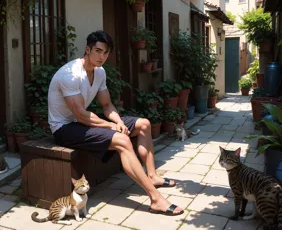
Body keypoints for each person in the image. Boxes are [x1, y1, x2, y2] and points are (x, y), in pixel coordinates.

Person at [47, 30, 184, 216]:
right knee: (123, 140)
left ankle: (152, 176)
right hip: (64, 128)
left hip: (82, 123)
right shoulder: (69, 75)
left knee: (143, 124)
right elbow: (80, 115)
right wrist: (111, 127)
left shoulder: (99, 72)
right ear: (87, 50)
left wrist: (118, 121)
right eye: (98, 51)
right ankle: (156, 199)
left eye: (106, 52)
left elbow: (107, 105)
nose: (102, 56)